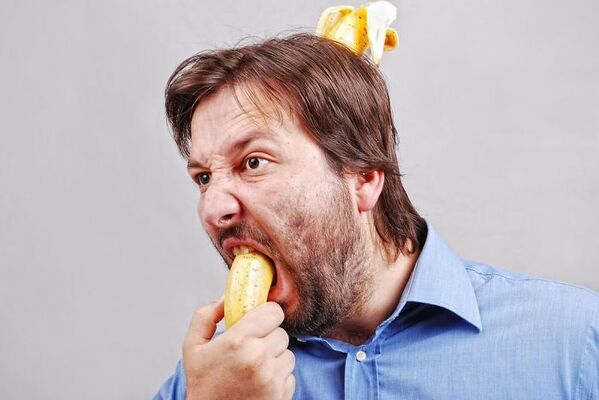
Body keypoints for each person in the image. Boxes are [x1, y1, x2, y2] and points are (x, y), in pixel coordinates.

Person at [154, 33, 598, 400]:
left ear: (363, 177)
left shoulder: (573, 343)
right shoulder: (217, 377)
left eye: (253, 162)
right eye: (204, 177)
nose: (214, 208)